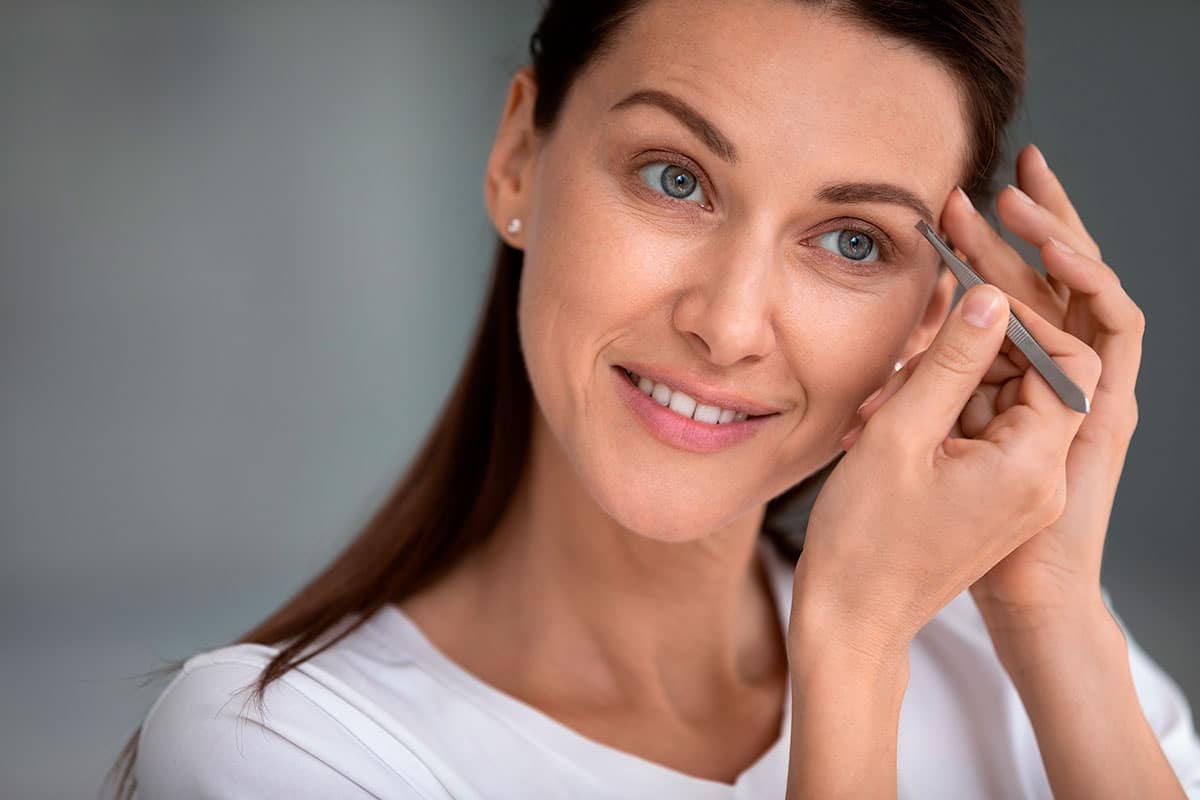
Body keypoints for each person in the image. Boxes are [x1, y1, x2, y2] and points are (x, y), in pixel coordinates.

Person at [108, 1, 1200, 798]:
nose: (727, 323)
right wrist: (851, 656)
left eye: (853, 241)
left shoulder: (1034, 667)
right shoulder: (282, 748)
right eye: (676, 177)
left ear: (933, 316)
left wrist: (1050, 607)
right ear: (517, 157)